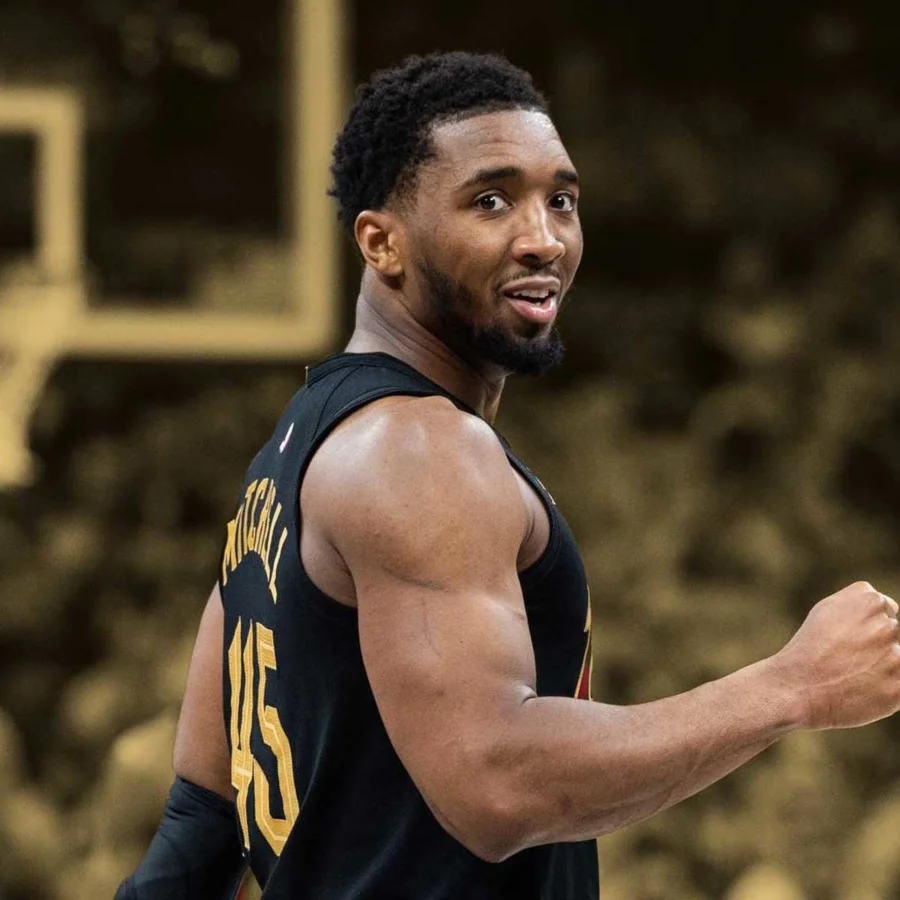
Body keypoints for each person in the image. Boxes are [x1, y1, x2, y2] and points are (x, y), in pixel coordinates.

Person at [116, 51, 900, 900]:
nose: (543, 239)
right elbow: (496, 783)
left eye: (560, 200)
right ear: (381, 242)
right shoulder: (417, 451)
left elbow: (202, 820)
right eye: (490, 201)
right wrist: (793, 687)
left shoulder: (290, 460)